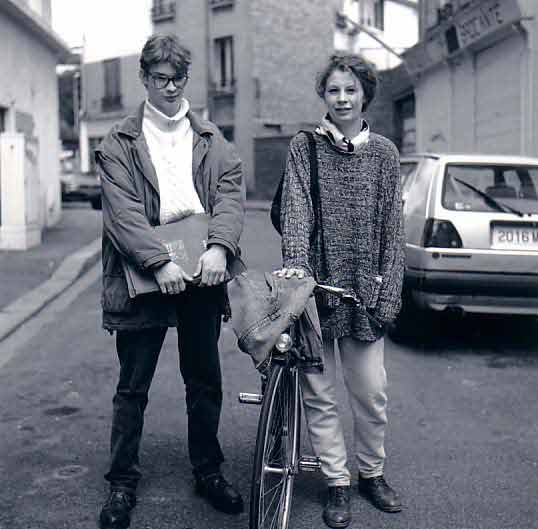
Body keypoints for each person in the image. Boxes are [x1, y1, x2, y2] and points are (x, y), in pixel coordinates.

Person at [94, 34, 245, 529]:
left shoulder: (210, 137)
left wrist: (221, 246)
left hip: (203, 266)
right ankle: (122, 483)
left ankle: (208, 471)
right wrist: (159, 263)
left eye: (179, 77)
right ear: (144, 79)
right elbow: (122, 215)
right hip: (146, 269)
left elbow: (229, 193)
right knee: (132, 385)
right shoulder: (118, 141)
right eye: (160, 78)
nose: (171, 87)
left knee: (204, 379)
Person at [275, 53, 405, 528]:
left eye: (351, 90)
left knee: (371, 392)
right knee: (319, 393)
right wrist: (296, 273)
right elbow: (296, 211)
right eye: (334, 90)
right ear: (324, 96)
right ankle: (336, 481)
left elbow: (393, 229)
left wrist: (388, 292)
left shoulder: (385, 154)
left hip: (364, 291)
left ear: (364, 94)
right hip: (314, 287)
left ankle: (371, 472)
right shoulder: (305, 146)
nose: (343, 98)